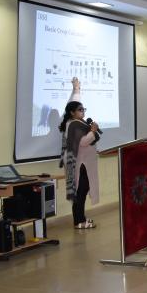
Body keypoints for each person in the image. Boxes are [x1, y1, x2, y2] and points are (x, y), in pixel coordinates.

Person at [59, 77, 100, 229]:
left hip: (81, 162)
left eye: (84, 109)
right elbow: (83, 142)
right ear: (72, 112)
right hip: (80, 164)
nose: (83, 112)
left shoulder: (75, 123)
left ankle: (79, 219)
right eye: (80, 110)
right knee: (81, 192)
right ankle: (80, 221)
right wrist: (93, 132)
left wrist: (77, 89)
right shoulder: (74, 125)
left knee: (80, 192)